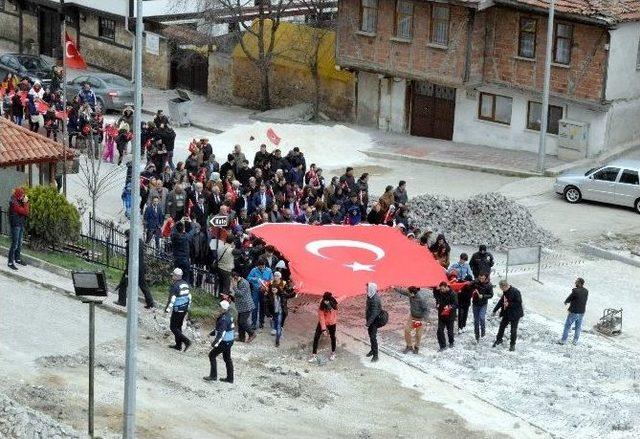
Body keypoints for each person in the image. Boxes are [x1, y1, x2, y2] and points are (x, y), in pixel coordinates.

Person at [115, 230, 155, 309]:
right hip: (141, 267)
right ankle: (150, 303)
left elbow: (129, 259)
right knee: (143, 285)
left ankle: (121, 301)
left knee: (123, 284)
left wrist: (127, 271)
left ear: (127, 236)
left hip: (132, 268)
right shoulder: (140, 242)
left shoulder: (129, 245)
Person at [204, 300, 235, 383]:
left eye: (219, 307)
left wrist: (215, 343)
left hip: (225, 342)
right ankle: (230, 378)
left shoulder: (224, 319)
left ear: (223, 309)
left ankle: (213, 376)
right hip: (229, 341)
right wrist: (212, 333)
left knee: (212, 355)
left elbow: (221, 332)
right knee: (227, 358)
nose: (218, 308)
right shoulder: (228, 315)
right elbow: (219, 328)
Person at [165, 268, 192, 352]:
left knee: (173, 327)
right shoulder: (185, 284)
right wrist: (187, 309)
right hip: (184, 309)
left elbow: (172, 299)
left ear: (176, 276)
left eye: (173, 275)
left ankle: (186, 341)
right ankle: (178, 345)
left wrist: (167, 310)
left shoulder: (175, 286)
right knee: (178, 327)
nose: (172, 276)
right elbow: (189, 297)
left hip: (177, 309)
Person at [492, 280, 524, 351]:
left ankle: (512, 345)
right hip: (507, 313)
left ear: (505, 286)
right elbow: (501, 301)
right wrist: (495, 310)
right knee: (502, 326)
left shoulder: (516, 291)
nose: (502, 290)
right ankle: (499, 340)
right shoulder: (505, 292)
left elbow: (519, 303)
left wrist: (509, 304)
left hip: (515, 314)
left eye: (502, 288)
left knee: (513, 330)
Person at [397, 286, 429, 354]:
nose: (408, 294)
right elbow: (403, 292)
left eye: (409, 293)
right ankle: (409, 346)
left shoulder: (421, 299)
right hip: (412, 317)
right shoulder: (410, 294)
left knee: (418, 334)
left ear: (412, 293)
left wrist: (425, 319)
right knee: (407, 330)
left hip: (419, 318)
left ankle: (416, 347)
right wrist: (394, 288)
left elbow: (426, 310)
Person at [309, 292, 338, 362]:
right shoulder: (321, 305)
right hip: (323, 323)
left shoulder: (334, 303)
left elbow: (340, 299)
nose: (325, 302)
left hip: (332, 322)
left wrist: (346, 294)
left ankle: (333, 353)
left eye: (327, 300)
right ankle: (314, 355)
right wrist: (324, 329)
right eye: (325, 300)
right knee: (316, 337)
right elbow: (321, 318)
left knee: (333, 337)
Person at [559, 278, 589, 345]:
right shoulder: (586, 291)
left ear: (579, 283)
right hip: (582, 312)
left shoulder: (575, 291)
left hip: (574, 311)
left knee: (567, 326)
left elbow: (570, 297)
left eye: (576, 282)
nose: (575, 283)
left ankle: (563, 340)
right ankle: (575, 341)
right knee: (578, 327)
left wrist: (566, 301)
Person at [247, 257, 273, 329]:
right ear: (258, 265)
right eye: (260, 266)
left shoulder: (269, 270)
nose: (261, 267)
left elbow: (271, 280)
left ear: (265, 265)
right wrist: (256, 279)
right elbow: (248, 278)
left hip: (264, 291)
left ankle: (261, 322)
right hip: (256, 291)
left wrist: (266, 285)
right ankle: (253, 323)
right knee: (254, 307)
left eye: (263, 266)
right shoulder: (254, 270)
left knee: (263, 307)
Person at [7, 187, 29, 270]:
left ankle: (17, 259)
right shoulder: (14, 203)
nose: (23, 196)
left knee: (19, 243)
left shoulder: (19, 201)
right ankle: (10, 262)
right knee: (15, 243)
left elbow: (26, 212)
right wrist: (26, 203)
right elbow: (25, 211)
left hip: (20, 224)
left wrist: (25, 203)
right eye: (22, 195)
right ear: (18, 195)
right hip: (15, 225)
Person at [230, 271, 256, 343]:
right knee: (239, 321)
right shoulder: (239, 282)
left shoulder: (244, 283)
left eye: (232, 279)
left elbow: (241, 293)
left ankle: (252, 333)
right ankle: (241, 337)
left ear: (235, 277)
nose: (231, 281)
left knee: (243, 322)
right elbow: (238, 295)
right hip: (241, 306)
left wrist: (234, 287)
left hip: (246, 306)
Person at [434, 281, 457, 351]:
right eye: (440, 289)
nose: (441, 290)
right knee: (439, 330)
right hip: (441, 315)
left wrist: (449, 307)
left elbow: (456, 304)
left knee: (450, 331)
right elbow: (436, 298)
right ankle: (442, 346)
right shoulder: (440, 292)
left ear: (447, 287)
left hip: (450, 315)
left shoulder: (453, 294)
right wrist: (437, 304)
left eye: (443, 289)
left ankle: (451, 342)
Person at [470, 273, 493, 342]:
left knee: (482, 317)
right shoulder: (476, 282)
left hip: (483, 304)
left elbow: (491, 295)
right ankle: (477, 335)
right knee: (476, 320)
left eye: (482, 278)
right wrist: (472, 287)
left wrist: (483, 296)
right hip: (475, 304)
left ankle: (483, 332)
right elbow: (469, 286)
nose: (481, 280)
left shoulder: (489, 285)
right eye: (480, 278)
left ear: (485, 278)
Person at [365, 282, 383, 362]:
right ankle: (372, 350)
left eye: (367, 288)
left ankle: (376, 355)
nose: (366, 289)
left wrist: (368, 323)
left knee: (373, 337)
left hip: (374, 321)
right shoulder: (370, 296)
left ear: (371, 289)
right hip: (370, 320)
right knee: (371, 336)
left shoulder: (375, 299)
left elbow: (374, 313)